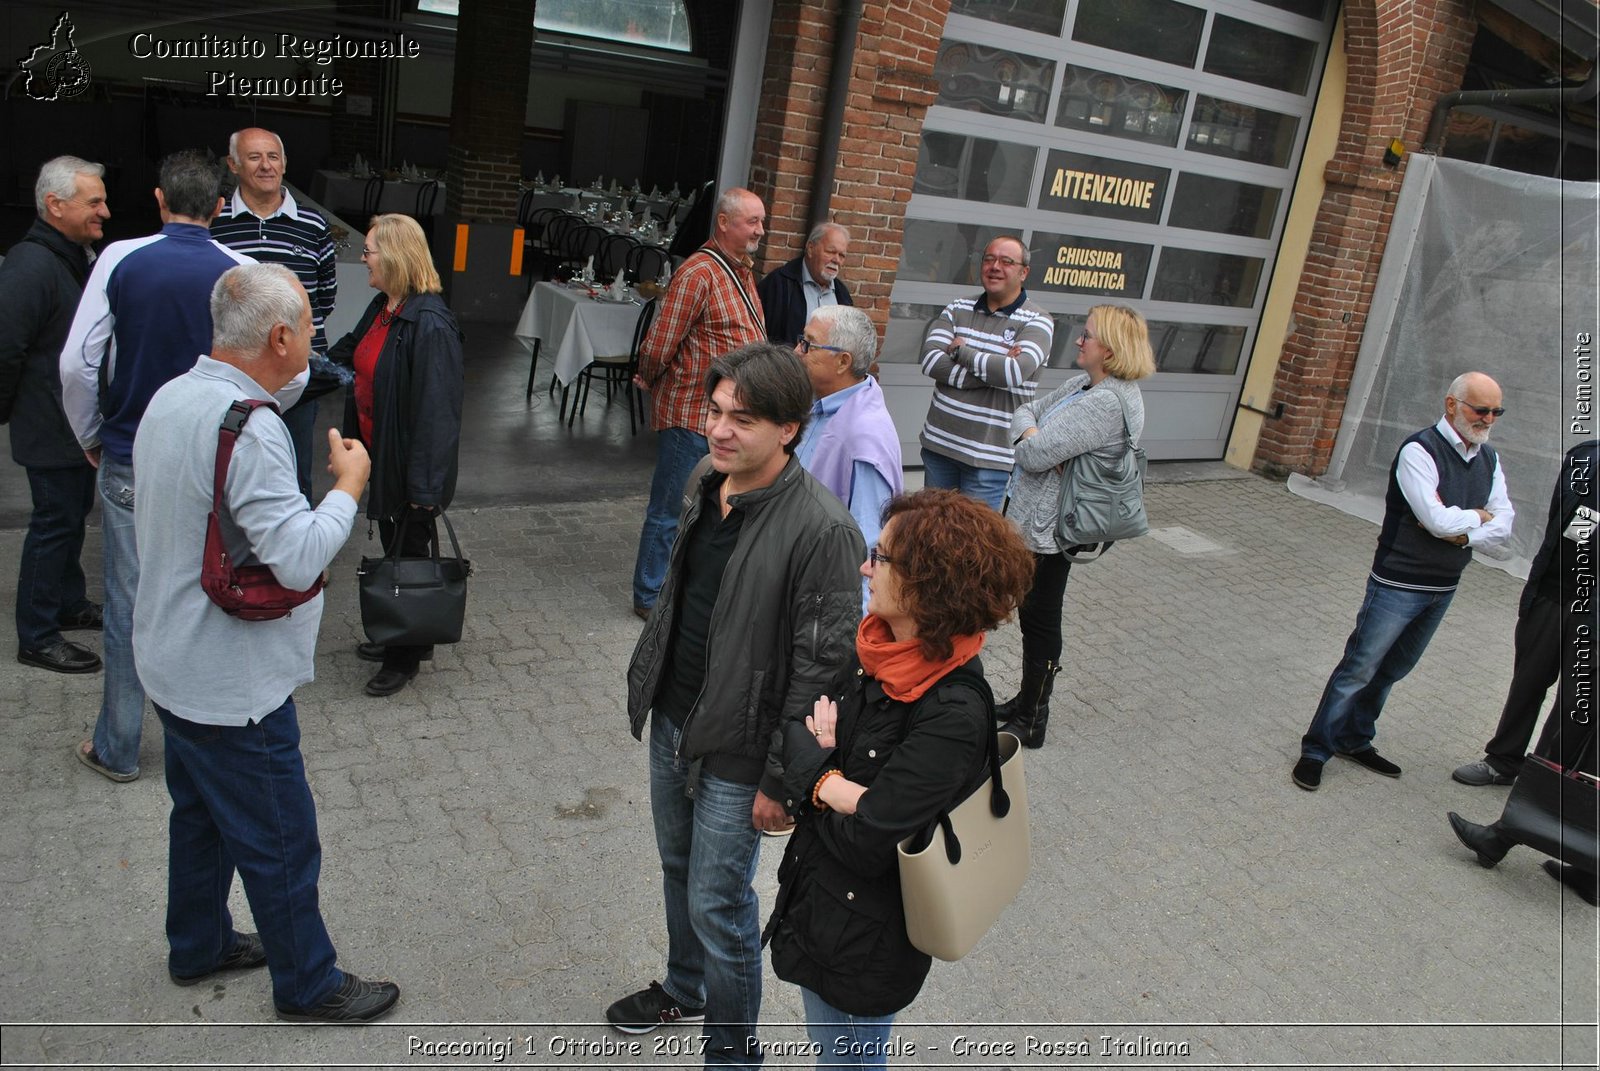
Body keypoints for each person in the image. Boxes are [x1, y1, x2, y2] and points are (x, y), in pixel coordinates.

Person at [133, 262, 400, 1022]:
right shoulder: (250, 429)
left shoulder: (173, 396)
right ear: (281, 336)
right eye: (310, 330)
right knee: (282, 837)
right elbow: (299, 553)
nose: (315, 343)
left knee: (201, 814)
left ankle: (198, 942)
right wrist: (348, 483)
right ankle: (309, 982)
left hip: (170, 657)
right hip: (231, 682)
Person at [610, 342, 864, 1065]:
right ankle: (683, 984)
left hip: (744, 747)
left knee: (720, 905)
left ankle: (731, 1054)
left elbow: (823, 669)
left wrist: (782, 779)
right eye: (715, 411)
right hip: (675, 717)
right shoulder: (703, 475)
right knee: (676, 868)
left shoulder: (824, 529)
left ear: (789, 428)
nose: (719, 429)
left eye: (742, 418)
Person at [763, 489, 1034, 1067]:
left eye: (880, 558)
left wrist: (820, 777)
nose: (865, 567)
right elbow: (794, 728)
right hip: (823, 908)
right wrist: (841, 791)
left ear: (927, 583)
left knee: (849, 1062)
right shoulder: (877, 651)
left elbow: (869, 844)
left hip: (863, 941)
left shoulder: (952, 713)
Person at [59, 149, 253, 782]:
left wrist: (92, 433)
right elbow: (287, 369)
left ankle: (117, 746)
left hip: (131, 454)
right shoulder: (242, 272)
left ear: (160, 199)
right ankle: (204, 738)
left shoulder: (119, 259)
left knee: (129, 600)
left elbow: (78, 364)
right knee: (206, 591)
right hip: (210, 460)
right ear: (221, 207)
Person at [1292, 372, 1515, 791]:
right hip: (1398, 582)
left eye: (1495, 412)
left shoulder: (1490, 459)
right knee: (1360, 666)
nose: (1488, 419)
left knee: (1395, 668)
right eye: (1480, 410)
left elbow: (1504, 525)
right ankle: (1316, 749)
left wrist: (1462, 529)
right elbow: (1434, 520)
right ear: (1451, 405)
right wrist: (1476, 517)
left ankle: (1355, 740)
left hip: (1444, 586)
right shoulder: (1419, 450)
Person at [1445, 439, 1599, 906]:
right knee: (1530, 686)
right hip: (1554, 598)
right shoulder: (1584, 458)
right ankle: (1503, 762)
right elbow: (1559, 532)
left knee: (1569, 730)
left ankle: (1505, 835)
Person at [999, 304, 1154, 748]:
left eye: (1088, 336)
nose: (1079, 341)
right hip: (1039, 518)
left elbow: (1032, 454)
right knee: (1034, 615)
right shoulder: (1084, 385)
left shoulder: (1106, 402)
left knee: (1041, 618)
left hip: (1050, 529)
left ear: (1110, 349)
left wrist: (1032, 439)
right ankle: (1026, 703)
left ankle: (1032, 717)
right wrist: (1034, 434)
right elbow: (1027, 410)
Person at [328, 213, 464, 698]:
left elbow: (438, 412)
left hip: (407, 466)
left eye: (370, 250)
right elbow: (349, 354)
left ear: (397, 256)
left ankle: (403, 656)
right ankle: (414, 634)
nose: (363, 257)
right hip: (379, 453)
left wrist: (425, 488)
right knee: (398, 546)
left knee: (407, 557)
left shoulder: (429, 323)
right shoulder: (386, 306)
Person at [630, 188, 768, 618]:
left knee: (705, 512)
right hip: (691, 414)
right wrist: (648, 378)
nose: (761, 231)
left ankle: (683, 589)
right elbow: (659, 344)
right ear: (724, 223)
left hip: (722, 418)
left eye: (762, 222)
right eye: (753, 222)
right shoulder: (698, 272)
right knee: (670, 507)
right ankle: (649, 597)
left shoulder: (739, 271)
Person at [0, 156, 109, 676]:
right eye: (94, 202)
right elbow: (6, 348)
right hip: (48, 422)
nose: (105, 211)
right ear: (55, 204)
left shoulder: (69, 256)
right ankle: (38, 634)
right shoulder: (31, 264)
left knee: (70, 519)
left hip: (70, 421)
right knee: (53, 525)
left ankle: (68, 604)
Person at [211, 127, 343, 504]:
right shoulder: (216, 223)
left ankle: (298, 560)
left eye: (273, 157)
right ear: (233, 165)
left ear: (284, 164)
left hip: (299, 374)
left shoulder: (314, 224)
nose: (266, 165)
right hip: (237, 374)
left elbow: (325, 298)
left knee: (295, 467)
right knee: (232, 465)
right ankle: (238, 558)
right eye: (254, 157)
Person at [917, 235, 1053, 510]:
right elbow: (930, 361)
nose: (995, 267)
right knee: (930, 536)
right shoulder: (957, 308)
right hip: (939, 447)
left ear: (1023, 272)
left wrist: (960, 353)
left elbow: (1013, 373)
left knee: (973, 546)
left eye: (1006, 261)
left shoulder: (1039, 321)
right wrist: (992, 368)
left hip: (989, 460)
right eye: (989, 259)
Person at [793, 305, 903, 611]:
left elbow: (868, 545)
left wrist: (859, 633)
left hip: (820, 598)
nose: (797, 351)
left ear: (843, 361)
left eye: (809, 344)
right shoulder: (820, 401)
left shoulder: (864, 438)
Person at [756, 223, 853, 346]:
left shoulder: (842, 295)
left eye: (842, 255)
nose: (836, 260)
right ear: (811, 249)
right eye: (830, 251)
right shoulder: (779, 284)